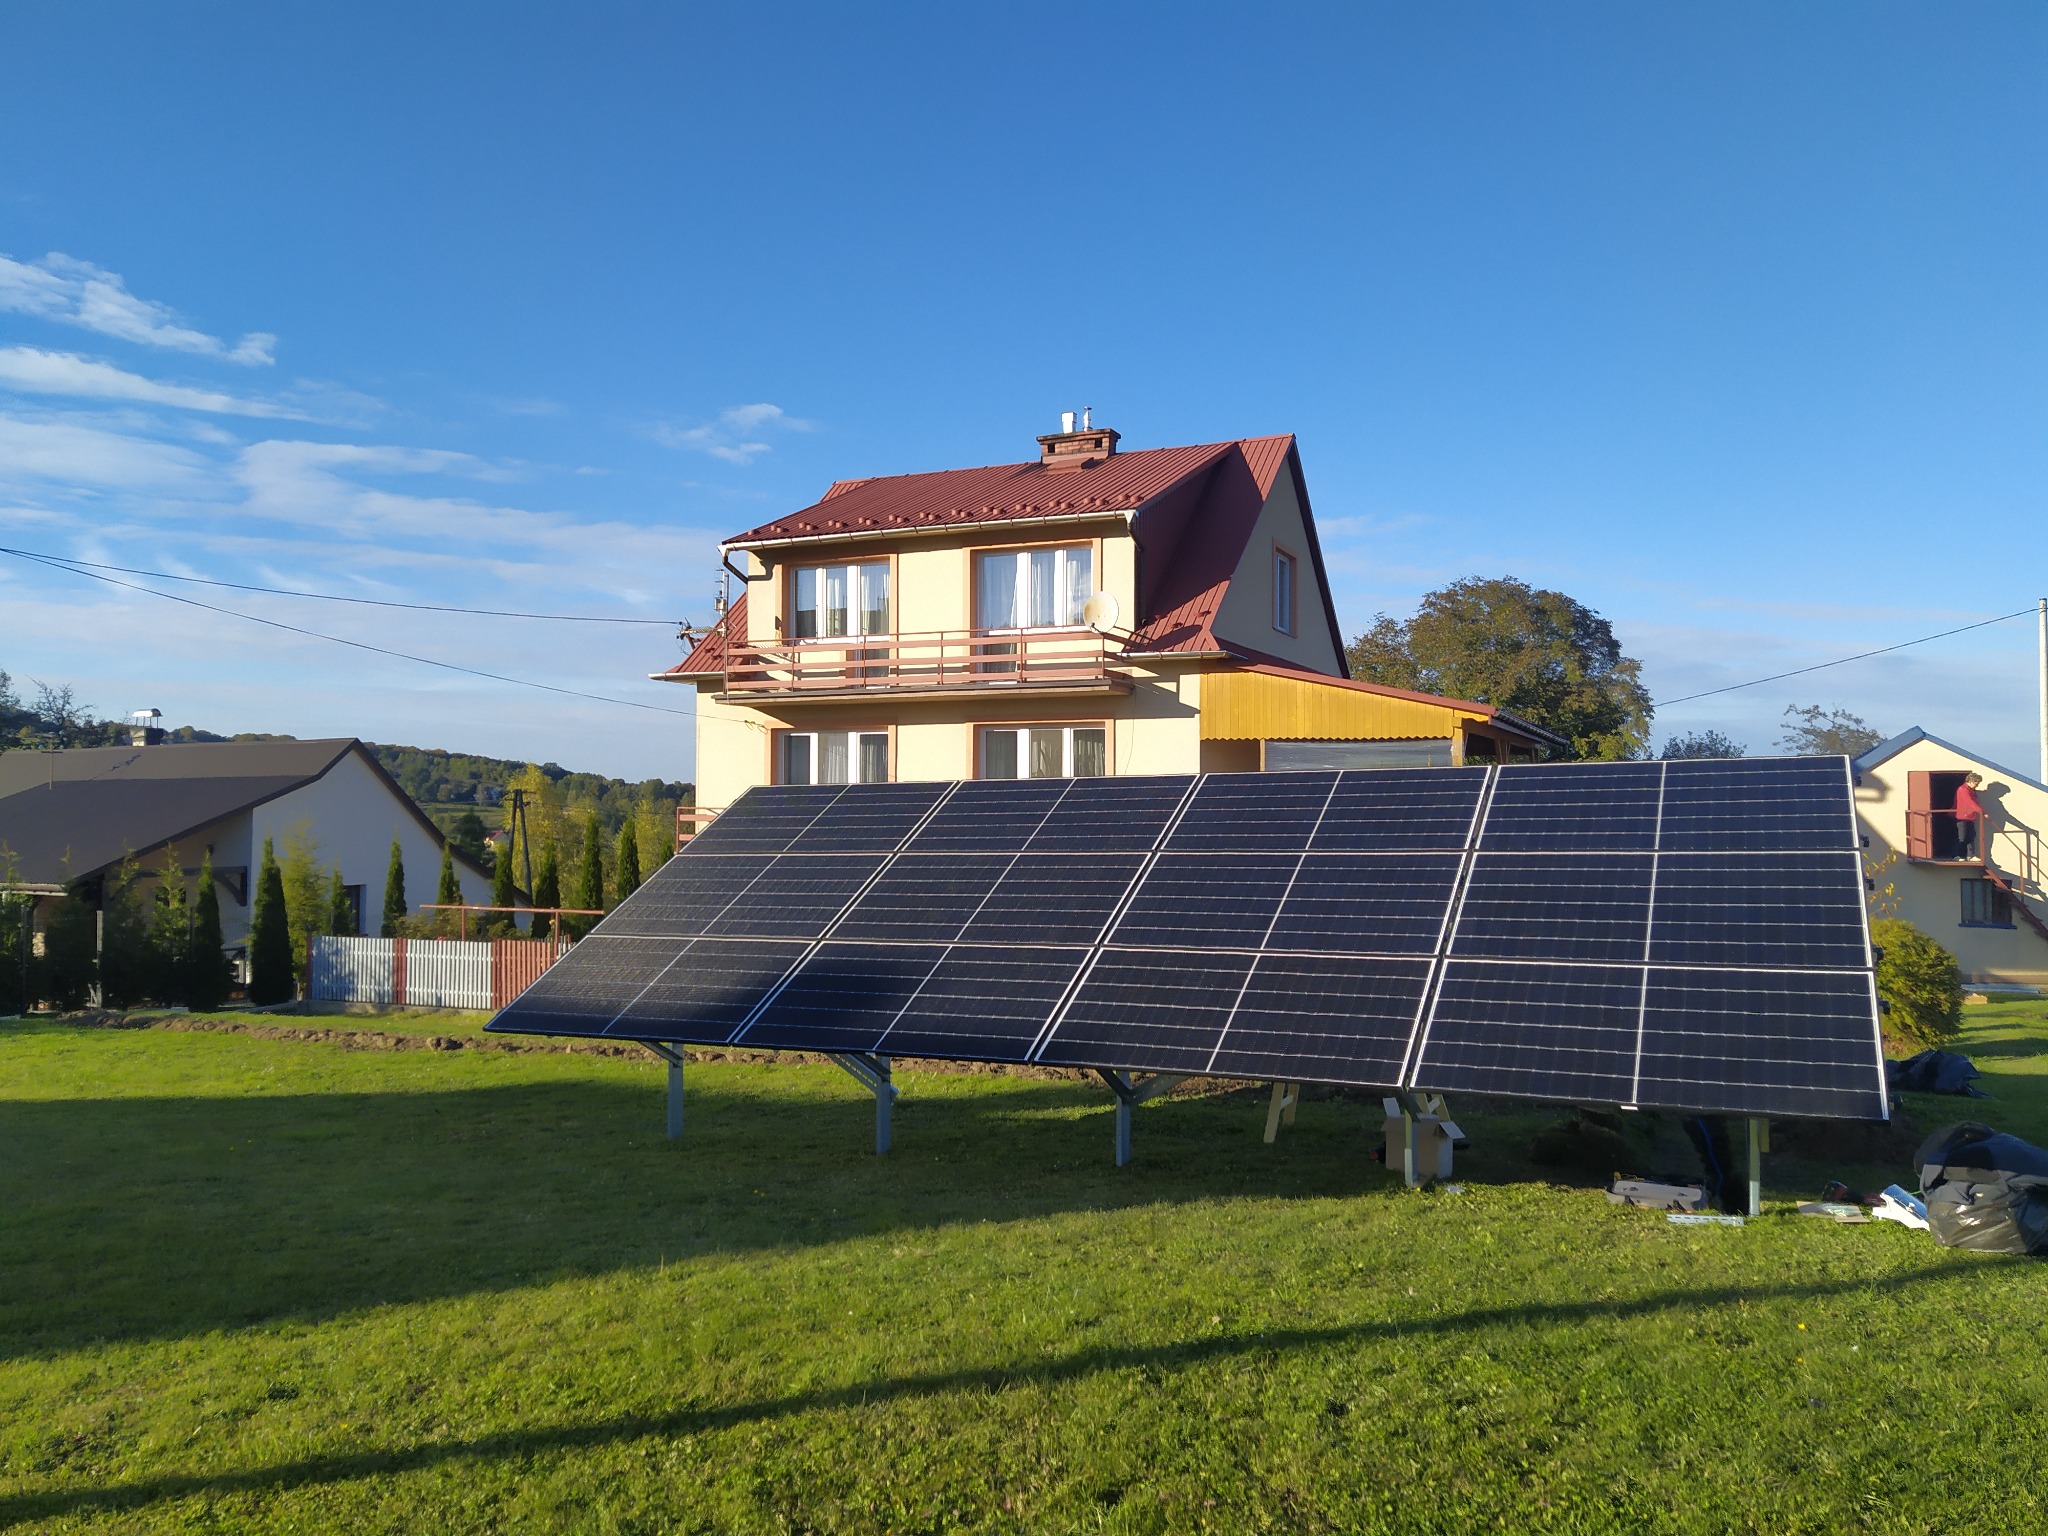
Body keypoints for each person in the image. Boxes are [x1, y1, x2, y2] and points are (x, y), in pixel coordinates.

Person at [1954, 772, 1985, 860]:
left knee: (1971, 836)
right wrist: (1981, 811)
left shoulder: (1972, 791)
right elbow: (1970, 802)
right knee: (1962, 837)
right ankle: (1959, 855)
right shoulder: (1963, 789)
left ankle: (1970, 855)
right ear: (1971, 781)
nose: (1977, 786)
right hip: (1962, 816)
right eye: (1976, 783)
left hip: (1970, 816)